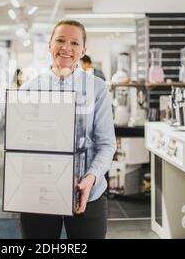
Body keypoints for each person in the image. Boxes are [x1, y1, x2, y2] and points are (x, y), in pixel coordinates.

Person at [20, 19, 116, 239]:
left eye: (74, 42)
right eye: (60, 40)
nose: (66, 47)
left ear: (83, 49)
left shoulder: (96, 88)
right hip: (40, 193)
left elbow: (107, 144)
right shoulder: (29, 89)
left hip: (88, 193)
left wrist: (90, 178)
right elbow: (21, 145)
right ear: (49, 45)